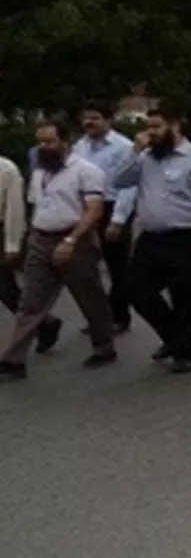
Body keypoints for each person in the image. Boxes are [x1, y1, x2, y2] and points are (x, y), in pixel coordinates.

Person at [0, 121, 117, 380]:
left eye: (49, 141)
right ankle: (13, 360)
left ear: (65, 141)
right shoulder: (40, 171)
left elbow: (94, 210)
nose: (43, 147)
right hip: (41, 240)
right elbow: (36, 205)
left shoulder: (87, 171)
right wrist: (30, 235)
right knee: (30, 301)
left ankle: (104, 345)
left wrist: (71, 240)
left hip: (74, 239)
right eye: (39, 141)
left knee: (89, 296)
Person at [115, 106, 191, 374]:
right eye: (148, 127)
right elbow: (119, 181)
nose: (151, 133)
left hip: (187, 235)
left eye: (157, 127)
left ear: (174, 126)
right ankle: (173, 336)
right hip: (151, 237)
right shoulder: (144, 158)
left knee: (185, 296)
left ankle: (183, 351)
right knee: (134, 288)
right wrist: (134, 151)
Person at [72, 100, 137, 334]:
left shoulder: (123, 147)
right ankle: (99, 316)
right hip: (86, 208)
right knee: (87, 268)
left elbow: (129, 187)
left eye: (95, 117)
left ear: (109, 120)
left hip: (113, 207)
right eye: (85, 118)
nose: (89, 122)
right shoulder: (80, 147)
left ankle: (119, 317)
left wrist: (118, 220)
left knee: (117, 267)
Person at [0, 154, 61, 354]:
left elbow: (14, 208)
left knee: (6, 288)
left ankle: (42, 323)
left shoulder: (6, 169)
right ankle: (44, 323)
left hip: (2, 231)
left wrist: (12, 243)